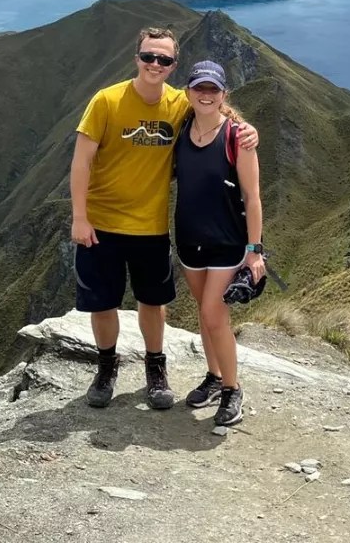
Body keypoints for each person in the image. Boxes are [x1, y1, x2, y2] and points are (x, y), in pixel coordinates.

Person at [70, 27, 257, 410]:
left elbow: (217, 112)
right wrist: (79, 217)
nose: (155, 64)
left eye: (165, 59)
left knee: (152, 303)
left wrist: (248, 130)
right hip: (101, 223)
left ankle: (156, 370)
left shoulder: (179, 103)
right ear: (136, 57)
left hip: (151, 227)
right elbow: (81, 161)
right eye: (149, 56)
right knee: (102, 303)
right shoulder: (106, 101)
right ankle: (106, 368)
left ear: (173, 66)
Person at [174, 60, 265, 427]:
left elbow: (253, 197)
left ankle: (232, 389)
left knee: (214, 315)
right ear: (188, 92)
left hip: (228, 243)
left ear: (224, 94)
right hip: (189, 241)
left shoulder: (238, 138)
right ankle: (214, 378)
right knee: (203, 310)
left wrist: (254, 251)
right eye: (200, 88)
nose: (206, 95)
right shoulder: (181, 129)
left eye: (213, 89)